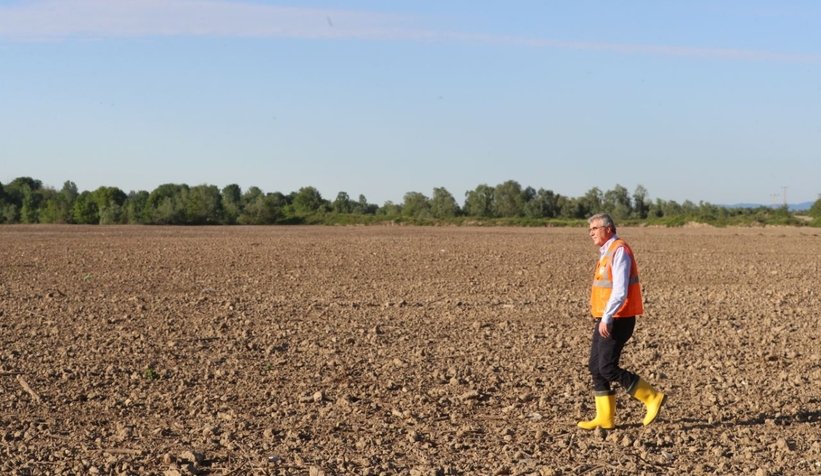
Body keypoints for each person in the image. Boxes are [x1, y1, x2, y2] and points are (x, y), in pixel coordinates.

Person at [577, 213, 666, 430]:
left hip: (618, 318)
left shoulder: (619, 251)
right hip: (606, 318)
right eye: (589, 229)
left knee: (607, 367)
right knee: (596, 367)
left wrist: (607, 317)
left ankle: (652, 397)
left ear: (608, 229)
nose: (590, 233)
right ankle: (605, 418)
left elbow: (620, 290)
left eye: (594, 229)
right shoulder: (607, 251)